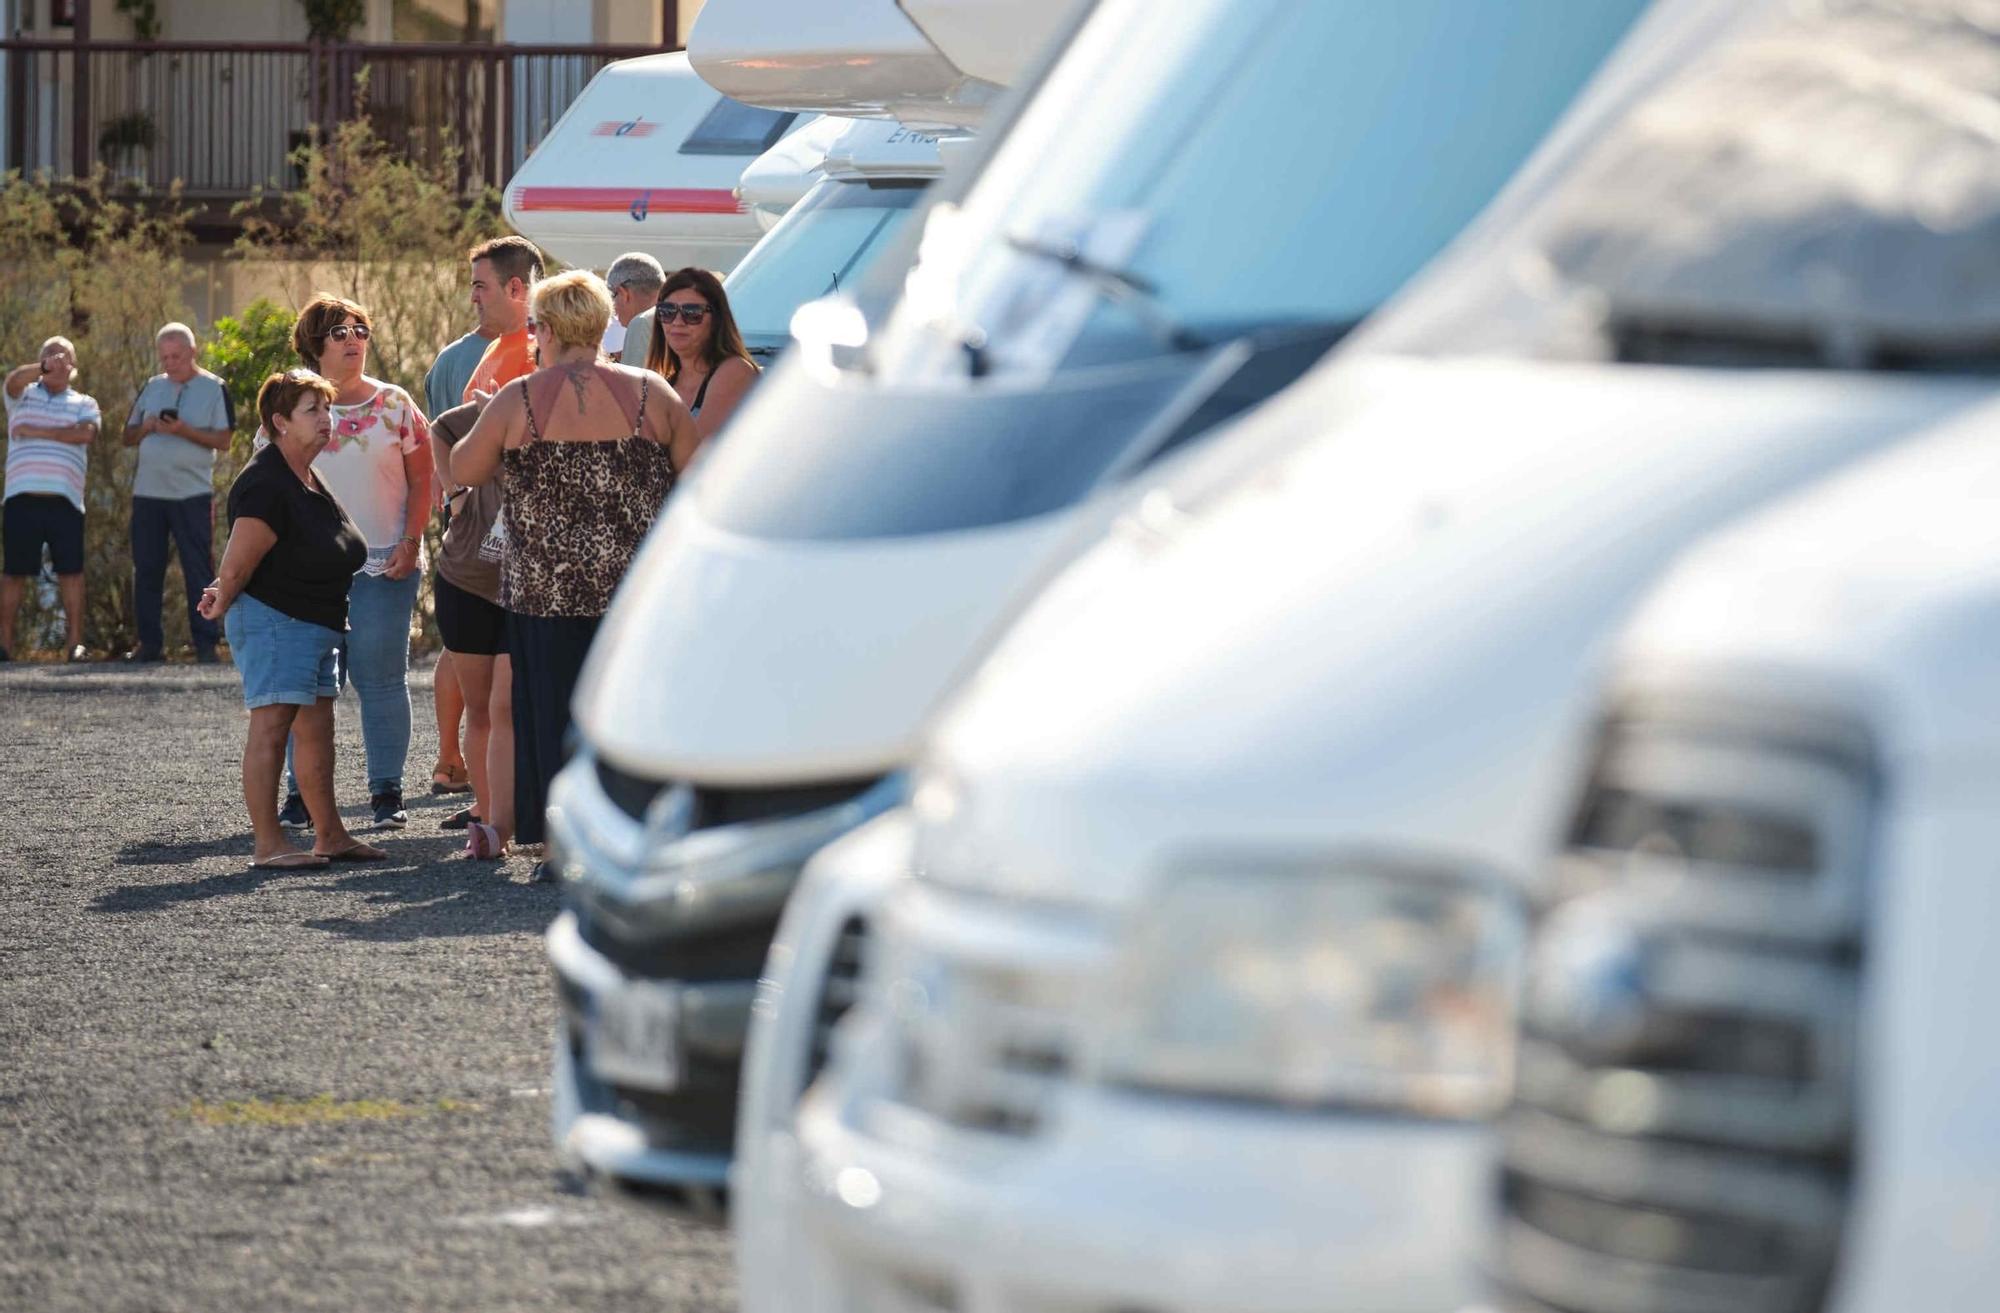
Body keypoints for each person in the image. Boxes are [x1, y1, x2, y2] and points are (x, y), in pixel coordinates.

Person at [453, 270, 699, 878]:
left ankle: (561, 847)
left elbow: (465, 465)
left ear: (546, 328)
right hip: (632, 595)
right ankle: (635, 836)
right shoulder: (652, 393)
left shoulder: (521, 398)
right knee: (627, 720)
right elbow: (700, 477)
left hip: (546, 593)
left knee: (551, 719)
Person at [198, 370, 385, 869]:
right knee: (271, 727)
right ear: (280, 422)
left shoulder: (307, 473)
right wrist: (221, 593)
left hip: (317, 624)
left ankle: (331, 835)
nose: (326, 419)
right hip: (277, 622)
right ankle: (268, 844)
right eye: (312, 411)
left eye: (327, 409)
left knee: (317, 732)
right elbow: (238, 563)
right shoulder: (266, 481)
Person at [273, 295, 433, 833]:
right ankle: (301, 794)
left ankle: (386, 792)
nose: (353, 339)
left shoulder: (394, 403)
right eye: (339, 331)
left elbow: (423, 479)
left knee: (381, 678)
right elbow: (270, 485)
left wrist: (411, 541)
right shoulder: (291, 404)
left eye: (360, 329)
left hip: (385, 564)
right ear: (314, 343)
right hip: (306, 573)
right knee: (308, 684)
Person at [429, 398, 514, 857]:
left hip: (530, 587)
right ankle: (487, 819)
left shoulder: (586, 402)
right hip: (466, 578)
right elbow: (440, 428)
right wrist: (455, 493)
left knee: (509, 708)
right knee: (481, 709)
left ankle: (513, 815)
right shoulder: (507, 398)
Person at [123, 322, 233, 663]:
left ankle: (205, 644)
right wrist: (148, 427)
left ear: (192, 352)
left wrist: (183, 430)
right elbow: (127, 436)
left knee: (198, 570)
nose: (170, 363)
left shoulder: (215, 388)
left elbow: (224, 440)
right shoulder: (152, 387)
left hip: (193, 494)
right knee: (147, 569)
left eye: (176, 356)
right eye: (165, 357)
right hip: (148, 494)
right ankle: (149, 645)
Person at [420, 319, 496, 798]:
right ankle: (459, 773)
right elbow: (443, 428)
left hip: (533, 562)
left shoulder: (515, 350)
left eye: (481, 287)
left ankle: (493, 805)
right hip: (473, 554)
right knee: (486, 701)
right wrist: (456, 493)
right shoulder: (465, 357)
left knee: (500, 702)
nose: (475, 298)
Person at [1, 337, 101, 663]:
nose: (57, 362)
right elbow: (13, 380)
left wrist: (35, 431)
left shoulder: (85, 402)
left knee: (71, 572)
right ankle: (3, 646)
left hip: (66, 499)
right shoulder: (22, 397)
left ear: (73, 367)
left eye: (64, 357)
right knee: (14, 572)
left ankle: (74, 645)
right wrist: (41, 367)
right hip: (21, 497)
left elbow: (85, 433)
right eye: (49, 357)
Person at [645, 266, 759, 442]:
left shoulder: (735, 371)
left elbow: (695, 454)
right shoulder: (665, 382)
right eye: (667, 311)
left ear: (716, 320)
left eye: (692, 313)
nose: (677, 322)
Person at [462, 235, 543, 404]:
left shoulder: (540, 353)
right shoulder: (494, 345)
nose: (473, 298)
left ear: (514, 288)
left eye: (480, 286)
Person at [606, 251, 664, 368]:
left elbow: (632, 386)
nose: (613, 310)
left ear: (623, 293)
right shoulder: (685, 318)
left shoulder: (641, 324)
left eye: (612, 297)